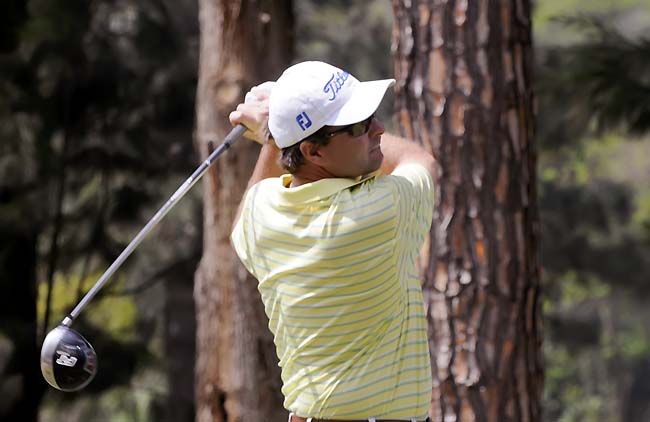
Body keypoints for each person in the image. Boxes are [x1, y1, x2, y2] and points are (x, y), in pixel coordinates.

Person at [229, 61, 436, 422]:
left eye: (372, 115)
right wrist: (271, 131)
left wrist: (276, 135)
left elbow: (252, 204)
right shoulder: (378, 210)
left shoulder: (261, 216)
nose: (379, 129)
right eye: (359, 126)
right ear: (314, 152)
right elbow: (419, 159)